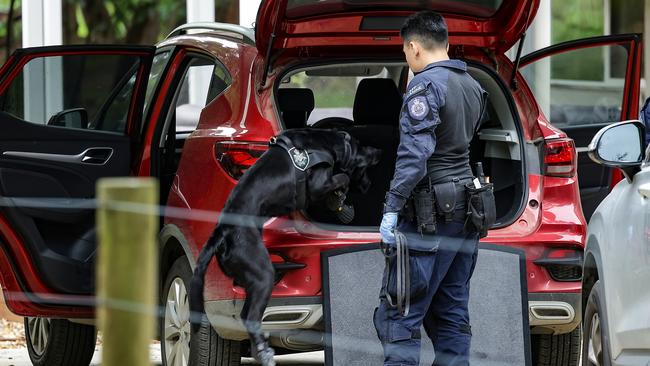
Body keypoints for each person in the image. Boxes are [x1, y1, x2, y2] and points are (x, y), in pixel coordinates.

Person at [375, 10, 488, 366]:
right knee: (452, 311)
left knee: (400, 314)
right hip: (468, 210)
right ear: (447, 44)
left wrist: (391, 208)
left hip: (430, 217)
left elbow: (415, 155)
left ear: (414, 47)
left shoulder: (424, 86)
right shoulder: (474, 85)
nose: (406, 58)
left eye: (405, 52)